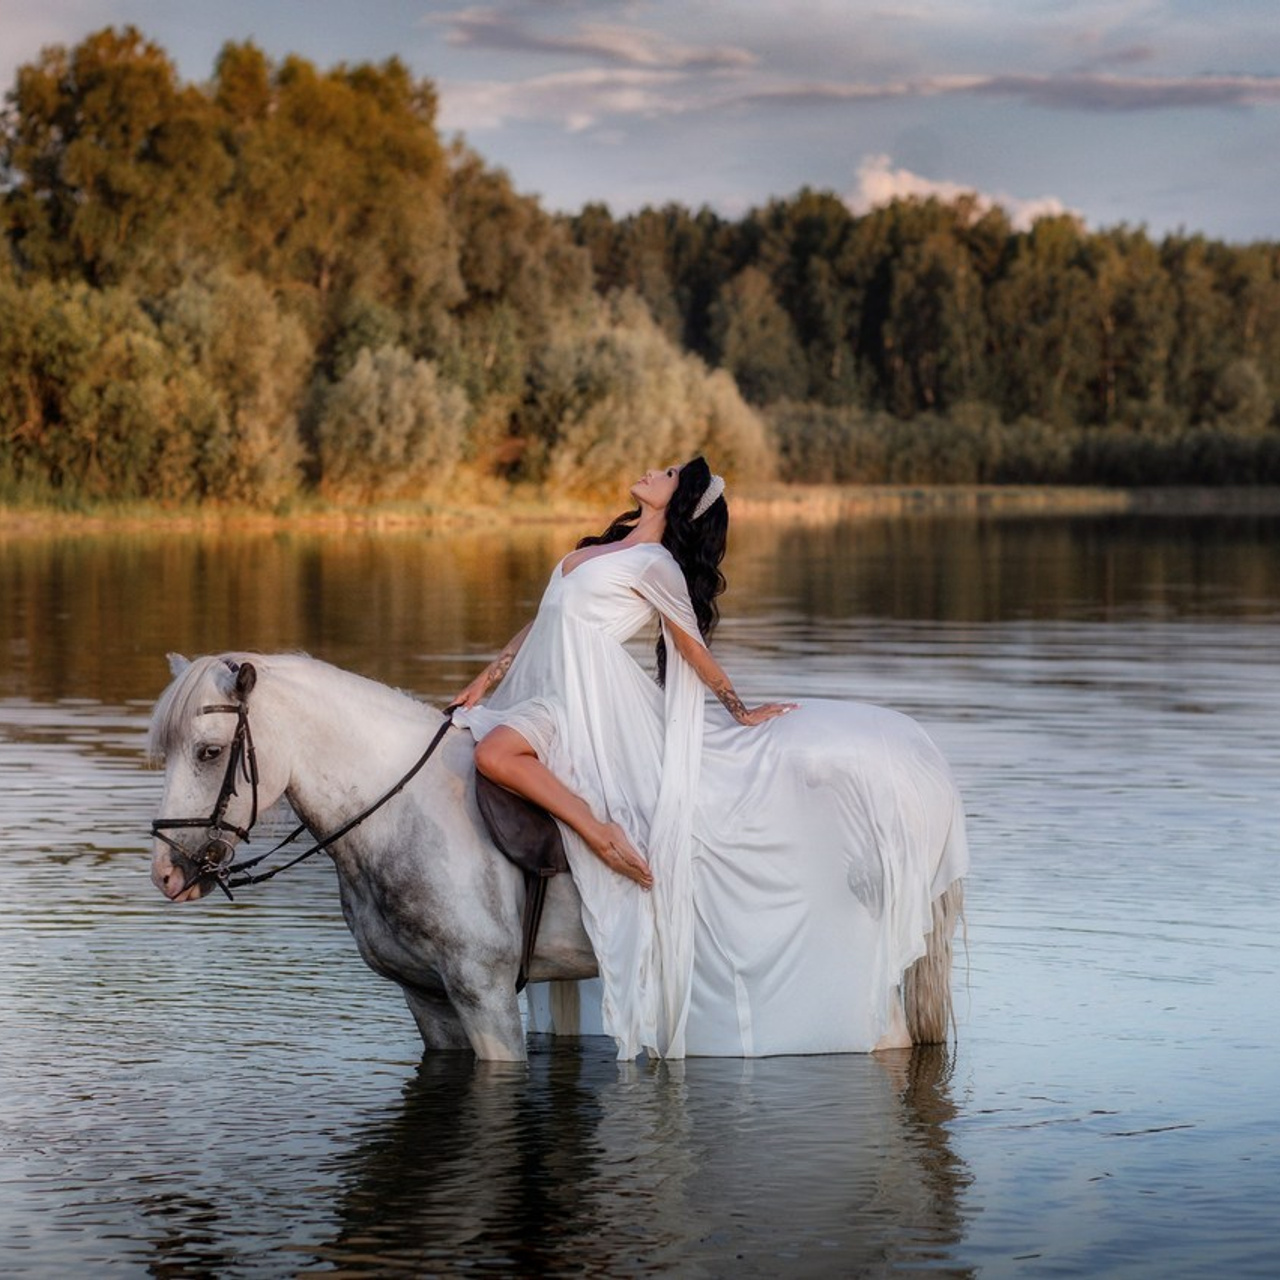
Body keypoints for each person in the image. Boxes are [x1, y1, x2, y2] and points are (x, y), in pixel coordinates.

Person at [453, 457, 968, 1059]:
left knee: (492, 753)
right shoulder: (607, 547)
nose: (651, 469)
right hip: (551, 694)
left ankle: (598, 832)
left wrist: (740, 710)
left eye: (667, 472)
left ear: (680, 501)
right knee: (480, 744)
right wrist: (486, 681)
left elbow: (691, 649)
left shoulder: (657, 565)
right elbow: (543, 621)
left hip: (590, 707)